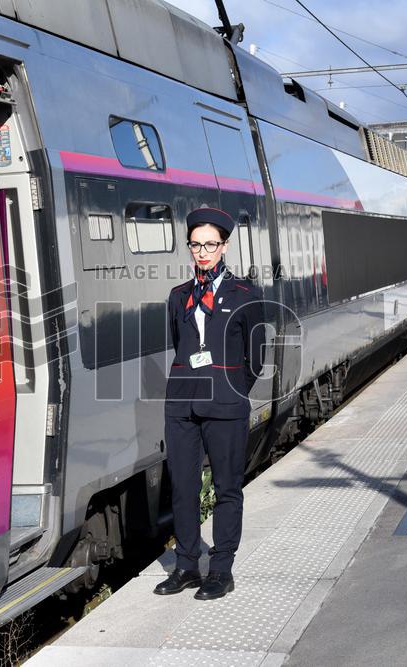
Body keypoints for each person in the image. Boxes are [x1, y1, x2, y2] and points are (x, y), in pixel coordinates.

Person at [154, 207, 266, 600]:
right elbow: (179, 346)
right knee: (183, 487)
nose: (203, 252)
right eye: (196, 244)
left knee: (226, 487)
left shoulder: (246, 295)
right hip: (181, 405)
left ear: (225, 246)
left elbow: (257, 357)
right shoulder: (178, 297)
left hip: (226, 405)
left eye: (210, 244)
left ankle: (220, 569)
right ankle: (186, 566)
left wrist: (231, 388)